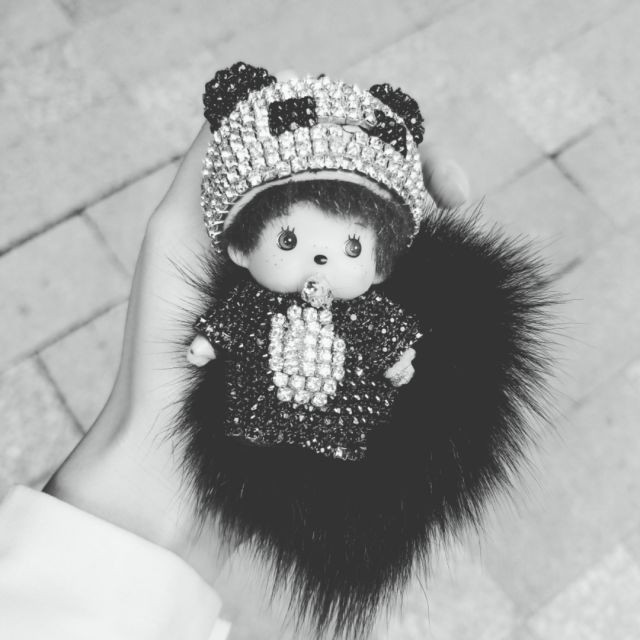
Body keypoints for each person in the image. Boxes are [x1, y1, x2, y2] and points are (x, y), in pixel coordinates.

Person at [0, 76, 469, 637]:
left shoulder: (367, 313)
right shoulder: (254, 304)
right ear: (242, 249)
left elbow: (388, 335)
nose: (322, 258)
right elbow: (229, 324)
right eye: (289, 241)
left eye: (352, 246)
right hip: (256, 404)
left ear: (382, 266)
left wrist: (398, 359)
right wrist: (204, 343)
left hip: (343, 409)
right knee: (254, 414)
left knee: (346, 426)